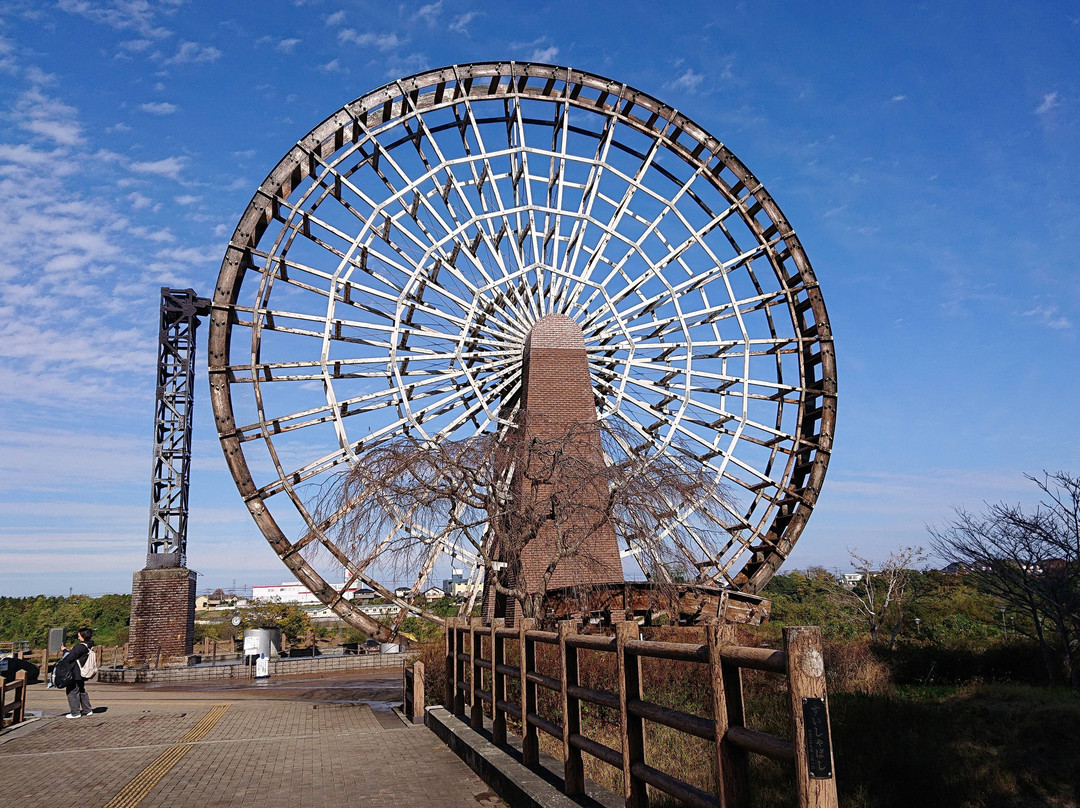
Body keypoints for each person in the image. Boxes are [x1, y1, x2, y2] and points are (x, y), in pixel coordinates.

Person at [58, 628, 94, 718]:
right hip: (82, 672)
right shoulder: (89, 645)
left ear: (83, 636)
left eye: (79, 636)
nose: (78, 638)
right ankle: (87, 710)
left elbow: (70, 657)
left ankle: (75, 713)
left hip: (76, 672)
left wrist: (65, 651)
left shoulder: (80, 646)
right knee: (81, 690)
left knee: (72, 691)